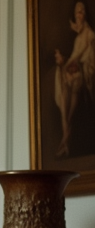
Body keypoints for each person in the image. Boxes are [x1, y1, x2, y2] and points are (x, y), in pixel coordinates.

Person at [54, 1, 95, 158]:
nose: (79, 15)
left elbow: (80, 56)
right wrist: (64, 62)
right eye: (77, 12)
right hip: (74, 68)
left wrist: (68, 63)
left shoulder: (90, 35)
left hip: (82, 72)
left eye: (81, 12)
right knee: (62, 81)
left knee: (72, 80)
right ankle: (66, 135)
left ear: (84, 15)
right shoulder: (79, 35)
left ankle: (66, 136)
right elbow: (73, 57)